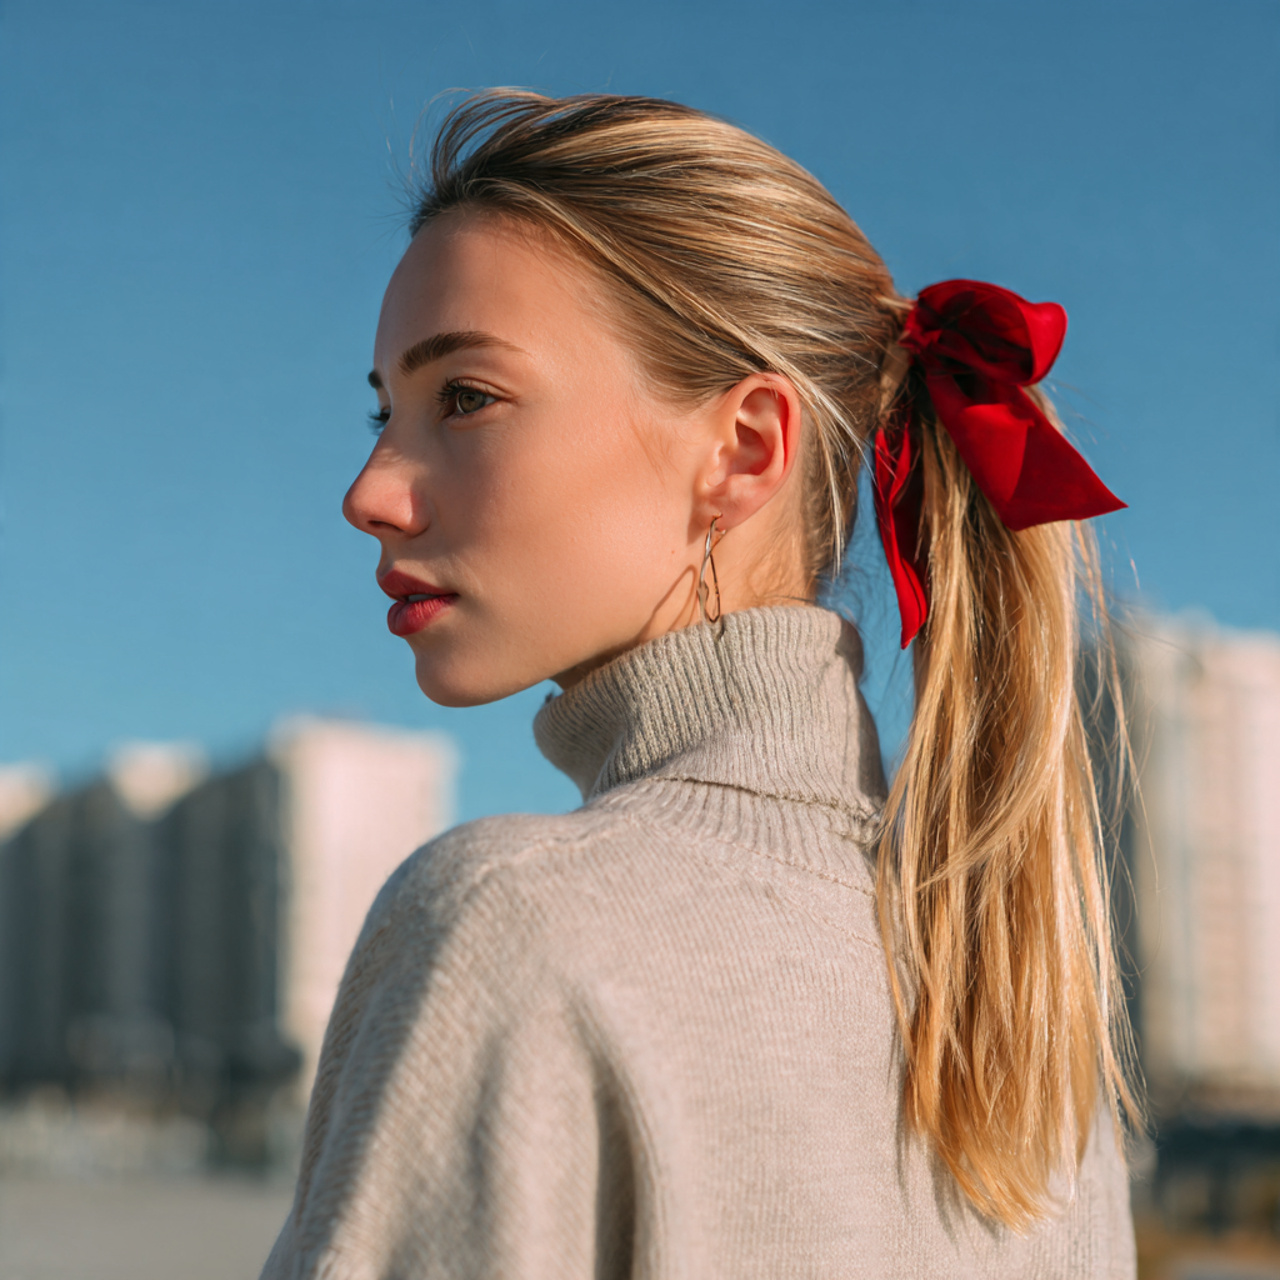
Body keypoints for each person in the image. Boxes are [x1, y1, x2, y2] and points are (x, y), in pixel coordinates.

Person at [261, 91, 1138, 1279]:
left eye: (462, 397)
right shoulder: (1021, 1026)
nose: (370, 490)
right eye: (386, 413)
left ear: (742, 449)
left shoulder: (512, 922)